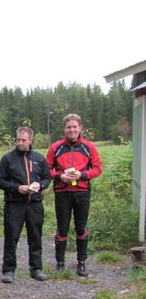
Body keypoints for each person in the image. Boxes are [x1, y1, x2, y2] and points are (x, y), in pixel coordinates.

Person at [46, 114, 103, 276]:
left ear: (80, 128)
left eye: (74, 127)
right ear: (64, 129)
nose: (71, 130)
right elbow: (46, 169)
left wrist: (82, 175)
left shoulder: (88, 147)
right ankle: (60, 263)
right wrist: (59, 177)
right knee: (62, 227)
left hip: (82, 191)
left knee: (81, 227)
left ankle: (81, 263)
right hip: (62, 192)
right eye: (69, 127)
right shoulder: (55, 147)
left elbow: (98, 168)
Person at [0, 126, 51, 283]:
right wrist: (16, 188)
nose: (20, 143)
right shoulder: (8, 158)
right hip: (14, 204)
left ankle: (36, 268)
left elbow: (47, 177)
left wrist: (40, 185)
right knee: (11, 237)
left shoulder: (39, 158)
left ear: (30, 140)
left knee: (35, 236)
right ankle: (8, 270)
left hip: (34, 203)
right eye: (18, 140)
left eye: (23, 140)